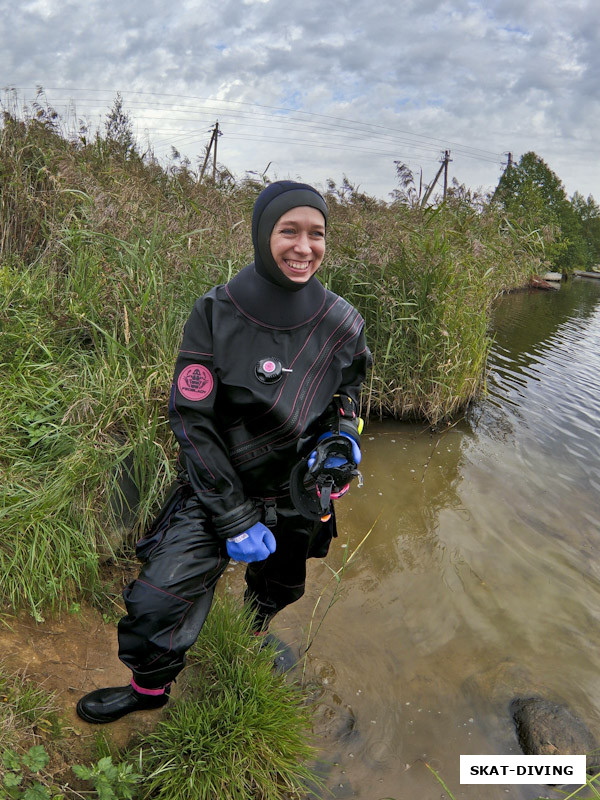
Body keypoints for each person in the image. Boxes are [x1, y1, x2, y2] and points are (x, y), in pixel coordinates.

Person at [76, 180, 371, 724]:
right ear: (263, 234)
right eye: (289, 231)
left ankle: (256, 628)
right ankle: (148, 692)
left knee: (283, 582)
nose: (304, 247)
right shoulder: (216, 311)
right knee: (156, 602)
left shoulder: (342, 323)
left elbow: (348, 391)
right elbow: (191, 419)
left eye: (317, 234)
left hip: (299, 490)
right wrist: (233, 516)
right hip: (220, 485)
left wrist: (344, 439)